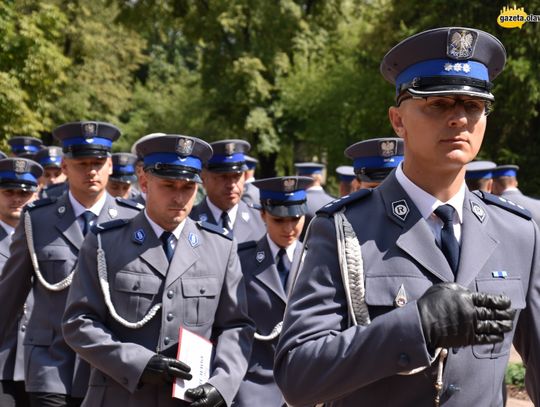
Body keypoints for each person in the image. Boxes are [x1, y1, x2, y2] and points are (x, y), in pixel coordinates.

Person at [274, 27, 539, 407]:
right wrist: (415, 326)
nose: (459, 119)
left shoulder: (517, 232)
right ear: (397, 120)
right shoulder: (345, 229)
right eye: (438, 104)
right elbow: (297, 376)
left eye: (473, 105)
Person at [62, 134, 254, 407]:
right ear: (144, 182)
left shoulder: (219, 247)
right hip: (120, 397)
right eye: (168, 185)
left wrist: (223, 384)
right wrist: (137, 363)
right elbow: (78, 322)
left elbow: (236, 326)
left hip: (189, 399)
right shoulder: (106, 242)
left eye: (188, 187)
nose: (179, 197)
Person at [0, 121, 143, 407]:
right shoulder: (37, 220)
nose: (91, 170)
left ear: (110, 167)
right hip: (51, 362)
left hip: (109, 365)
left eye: (98, 163)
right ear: (65, 167)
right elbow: (10, 294)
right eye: (82, 163)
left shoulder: (132, 220)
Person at [234, 176, 312, 407]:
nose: (289, 228)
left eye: (296, 219)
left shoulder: (318, 259)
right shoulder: (241, 260)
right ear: (263, 215)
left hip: (305, 381)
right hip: (252, 383)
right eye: (279, 220)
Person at [0, 158, 42, 407]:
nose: (17, 199)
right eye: (9, 192)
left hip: (42, 361)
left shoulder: (50, 237)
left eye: (25, 192)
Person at [190, 139, 266, 243]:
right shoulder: (189, 220)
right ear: (203, 178)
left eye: (237, 176)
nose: (231, 184)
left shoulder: (262, 219)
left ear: (244, 176)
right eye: (223, 177)